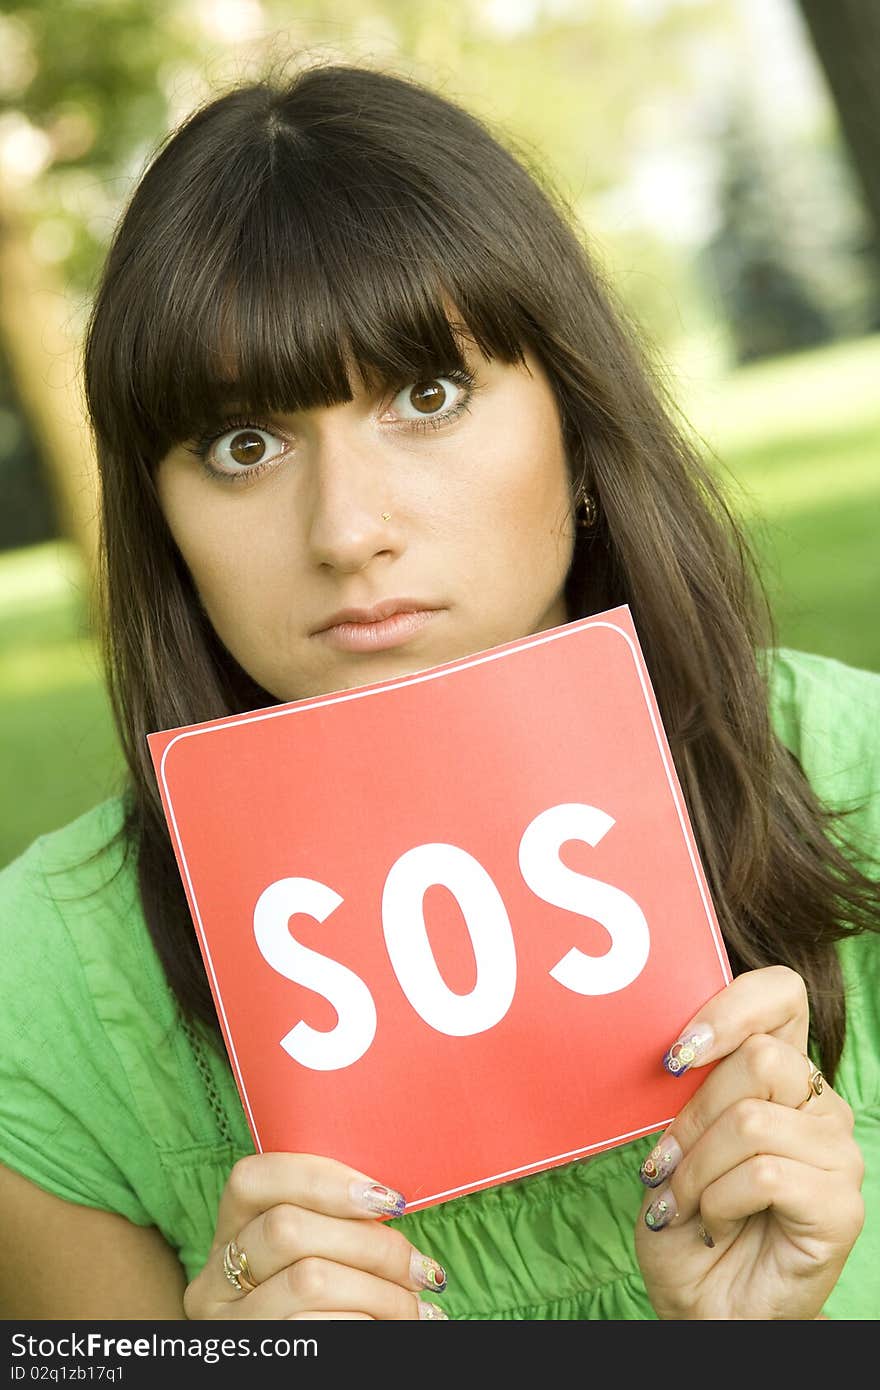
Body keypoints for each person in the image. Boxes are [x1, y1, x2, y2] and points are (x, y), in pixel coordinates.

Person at [0, 58, 877, 1323]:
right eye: (243, 445)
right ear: (161, 515)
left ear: (576, 423)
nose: (347, 528)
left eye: (426, 394)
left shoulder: (861, 772)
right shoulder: (41, 1001)